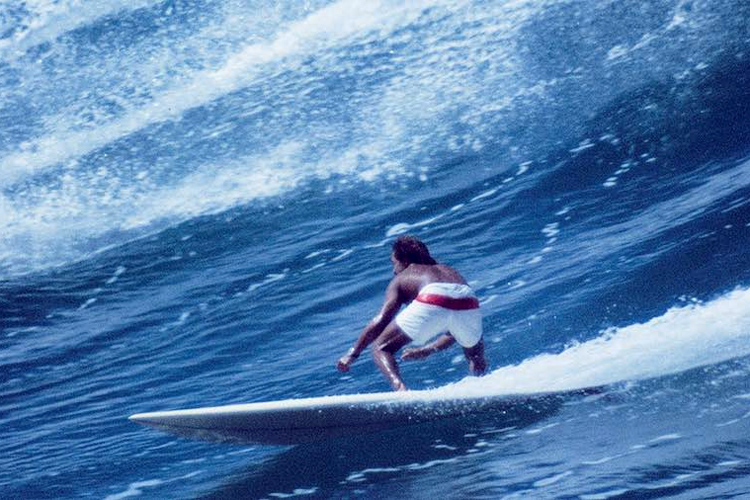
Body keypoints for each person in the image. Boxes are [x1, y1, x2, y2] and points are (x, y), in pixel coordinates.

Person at [336, 235, 487, 391]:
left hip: (433, 296)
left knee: (381, 347)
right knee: (474, 352)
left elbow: (382, 319)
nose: (394, 271)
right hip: (468, 299)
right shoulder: (449, 271)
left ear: (405, 261)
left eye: (394, 264)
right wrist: (428, 350)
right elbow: (454, 327)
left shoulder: (404, 276)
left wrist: (353, 353)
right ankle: (482, 384)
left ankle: (400, 389)